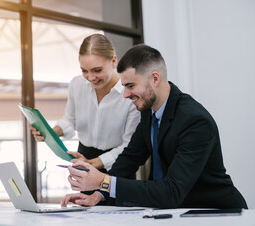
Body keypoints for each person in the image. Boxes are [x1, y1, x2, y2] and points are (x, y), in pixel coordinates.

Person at [61, 44, 248, 209]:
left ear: (155, 79)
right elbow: (130, 158)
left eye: (131, 86)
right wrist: (98, 195)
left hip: (217, 213)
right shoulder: (148, 111)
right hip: (175, 212)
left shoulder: (195, 121)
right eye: (124, 86)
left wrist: (104, 181)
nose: (125, 95)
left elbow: (172, 191)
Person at [31, 34, 140, 172]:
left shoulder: (130, 94)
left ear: (113, 61)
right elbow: (70, 120)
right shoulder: (77, 85)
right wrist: (52, 133)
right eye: (84, 71)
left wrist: (94, 163)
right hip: (84, 155)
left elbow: (129, 144)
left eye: (97, 70)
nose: (91, 77)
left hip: (117, 161)